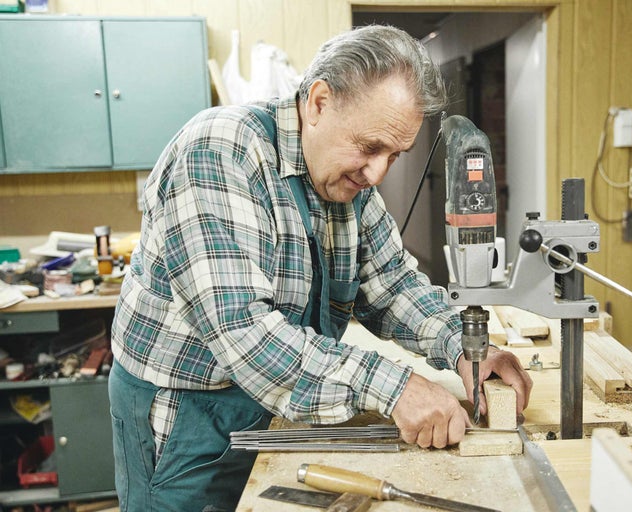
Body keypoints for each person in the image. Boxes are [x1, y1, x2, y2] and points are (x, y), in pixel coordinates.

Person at [108, 24, 533, 511]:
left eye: (395, 155)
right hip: (188, 414)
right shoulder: (219, 152)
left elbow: (391, 286)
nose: (377, 173)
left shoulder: (345, 180)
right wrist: (395, 387)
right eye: (370, 147)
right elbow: (246, 335)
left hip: (282, 396)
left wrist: (464, 347)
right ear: (318, 103)